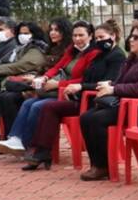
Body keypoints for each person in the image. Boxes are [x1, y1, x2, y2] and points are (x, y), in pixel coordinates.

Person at [21, 21, 127, 171]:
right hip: (81, 97)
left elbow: (109, 82)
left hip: (94, 101)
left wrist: (80, 86)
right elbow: (86, 76)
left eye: (102, 37)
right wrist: (72, 86)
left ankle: (41, 151)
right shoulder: (100, 54)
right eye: (97, 39)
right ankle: (40, 151)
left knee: (48, 106)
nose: (99, 41)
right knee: (46, 107)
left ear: (113, 36)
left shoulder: (117, 56)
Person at [76, 23, 138, 181]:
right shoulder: (133, 59)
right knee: (86, 117)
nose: (130, 40)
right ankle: (97, 164)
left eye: (135, 37)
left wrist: (114, 89)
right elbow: (121, 82)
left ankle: (104, 166)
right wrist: (110, 85)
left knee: (96, 119)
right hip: (124, 106)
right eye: (130, 36)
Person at [0, 21, 99, 156]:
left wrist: (58, 85)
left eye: (81, 35)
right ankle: (17, 138)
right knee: (28, 103)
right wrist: (44, 78)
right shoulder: (72, 50)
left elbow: (86, 80)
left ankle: (29, 145)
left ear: (90, 36)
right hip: (58, 89)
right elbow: (57, 67)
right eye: (75, 35)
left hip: (74, 94)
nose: (77, 39)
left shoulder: (94, 53)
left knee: (38, 106)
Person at [0, 18, 70, 142]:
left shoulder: (65, 50)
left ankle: (24, 141)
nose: (53, 33)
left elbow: (61, 71)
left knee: (18, 99)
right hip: (42, 83)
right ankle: (12, 137)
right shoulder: (51, 48)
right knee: (6, 95)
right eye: (51, 30)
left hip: (56, 89)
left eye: (57, 30)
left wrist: (42, 79)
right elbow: (48, 70)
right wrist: (37, 77)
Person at [0, 21, 49, 144]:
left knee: (2, 96)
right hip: (12, 78)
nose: (23, 36)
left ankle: (11, 136)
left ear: (35, 34)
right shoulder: (20, 47)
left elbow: (21, 66)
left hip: (29, 82)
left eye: (26, 33)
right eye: (21, 33)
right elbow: (5, 62)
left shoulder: (38, 48)